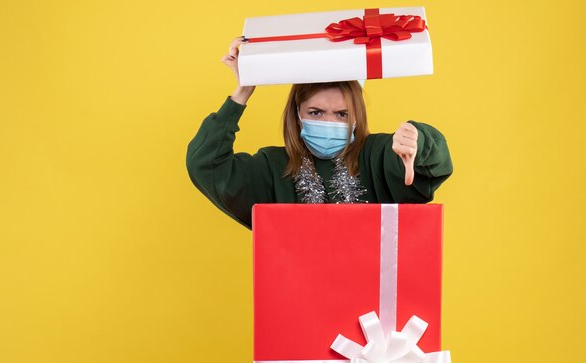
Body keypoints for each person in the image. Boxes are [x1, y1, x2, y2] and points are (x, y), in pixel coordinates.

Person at [186, 37, 453, 229]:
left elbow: (432, 163)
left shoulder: (379, 154)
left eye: (342, 114)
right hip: (297, 298)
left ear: (357, 116)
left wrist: (419, 141)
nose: (329, 121)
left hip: (372, 300)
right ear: (297, 114)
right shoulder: (272, 168)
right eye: (316, 113)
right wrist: (242, 91)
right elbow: (206, 165)